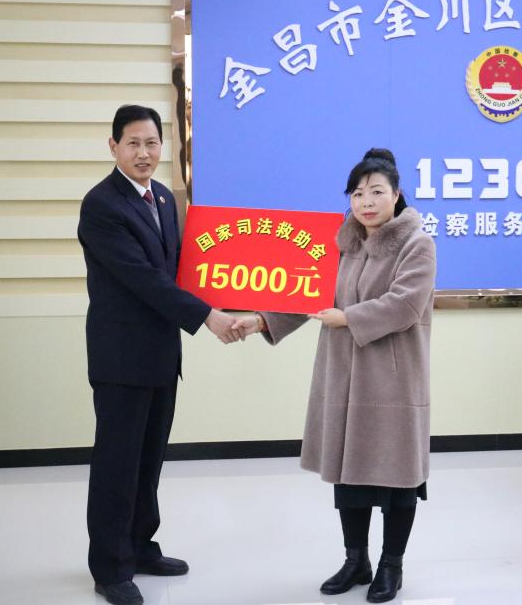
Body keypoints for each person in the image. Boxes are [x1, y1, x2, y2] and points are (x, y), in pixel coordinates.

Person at [235, 148, 436, 603]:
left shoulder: (417, 243)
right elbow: (307, 293)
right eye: (357, 193)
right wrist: (261, 320)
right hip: (343, 377)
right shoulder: (342, 243)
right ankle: (355, 560)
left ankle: (391, 565)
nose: (366, 201)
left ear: (397, 194)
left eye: (376, 192)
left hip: (393, 381)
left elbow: (405, 305)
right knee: (350, 474)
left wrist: (347, 318)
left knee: (398, 477)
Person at [78, 104, 243, 605]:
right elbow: (144, 279)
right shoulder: (101, 205)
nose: (144, 153)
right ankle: (110, 567)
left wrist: (238, 291)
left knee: (148, 462)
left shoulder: (166, 199)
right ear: (113, 147)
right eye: (133, 143)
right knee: (117, 465)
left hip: (161, 356)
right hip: (120, 359)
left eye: (152, 143)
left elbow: (181, 269)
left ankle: (140, 548)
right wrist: (208, 316)